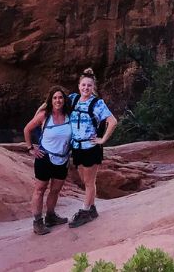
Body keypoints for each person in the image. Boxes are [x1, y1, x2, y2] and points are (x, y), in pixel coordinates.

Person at [67, 67, 117, 228]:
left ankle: (85, 211)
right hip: (77, 147)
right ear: (79, 86)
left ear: (93, 87)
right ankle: (92, 207)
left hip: (90, 147)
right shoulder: (73, 99)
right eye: (83, 85)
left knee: (89, 181)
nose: (86, 88)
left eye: (89, 86)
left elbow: (113, 121)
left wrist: (102, 140)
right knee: (84, 179)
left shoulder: (97, 103)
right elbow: (54, 104)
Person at [23, 86, 73, 236]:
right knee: (40, 189)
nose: (58, 100)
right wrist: (30, 148)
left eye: (60, 98)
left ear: (64, 100)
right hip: (44, 158)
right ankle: (37, 222)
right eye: (55, 98)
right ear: (51, 100)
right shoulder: (45, 115)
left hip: (62, 159)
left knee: (55, 190)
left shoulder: (69, 116)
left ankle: (50, 216)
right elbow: (27, 129)